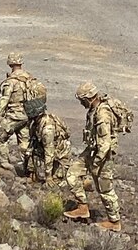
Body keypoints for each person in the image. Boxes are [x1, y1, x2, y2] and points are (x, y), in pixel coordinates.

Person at [64, 82, 121, 232]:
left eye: (82, 100)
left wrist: (96, 164)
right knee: (72, 174)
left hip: (102, 156)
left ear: (88, 98)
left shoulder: (102, 114)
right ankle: (82, 207)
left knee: (105, 189)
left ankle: (114, 221)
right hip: (91, 151)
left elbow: (105, 143)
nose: (81, 104)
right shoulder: (93, 110)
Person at [0, 53, 34, 170]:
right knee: (25, 142)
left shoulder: (10, 81)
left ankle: (5, 165)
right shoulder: (29, 78)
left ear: (10, 63)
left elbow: (4, 100)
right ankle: (29, 167)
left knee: (0, 138)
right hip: (27, 115)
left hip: (13, 115)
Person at [24, 98, 71, 186]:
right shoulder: (36, 124)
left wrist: (48, 176)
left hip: (59, 154)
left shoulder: (47, 129)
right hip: (46, 149)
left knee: (58, 182)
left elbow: (49, 152)